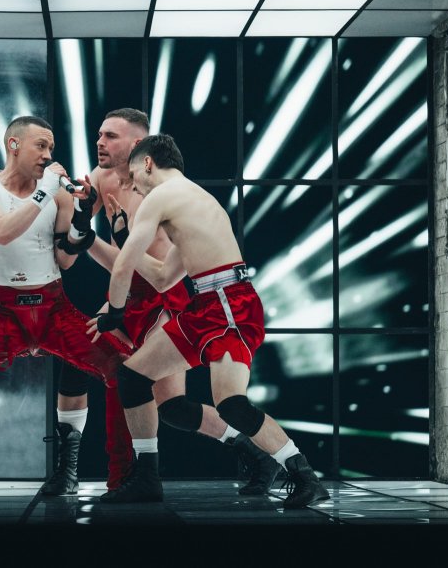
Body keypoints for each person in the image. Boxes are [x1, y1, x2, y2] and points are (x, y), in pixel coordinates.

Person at [45, 108, 281, 499]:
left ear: (140, 149)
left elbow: (157, 271)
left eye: (110, 137)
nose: (100, 142)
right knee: (75, 363)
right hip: (125, 294)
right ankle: (69, 470)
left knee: (171, 406)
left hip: (163, 299)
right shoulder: (101, 179)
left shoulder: (163, 193)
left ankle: (255, 453)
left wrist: (112, 299)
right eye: (99, 135)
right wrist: (79, 220)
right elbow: (73, 256)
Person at [88, 133, 330, 509]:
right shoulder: (193, 201)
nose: (132, 184)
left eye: (135, 173)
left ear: (149, 163)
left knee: (233, 404)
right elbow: (164, 277)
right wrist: (122, 236)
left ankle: (304, 477)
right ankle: (146, 478)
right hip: (210, 303)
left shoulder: (161, 197)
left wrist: (114, 312)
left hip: (228, 305)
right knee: (134, 377)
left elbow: (122, 269)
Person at [0, 115, 135, 500]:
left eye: (51, 147)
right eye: (41, 145)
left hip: (53, 308)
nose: (48, 154)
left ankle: (123, 477)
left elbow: (65, 260)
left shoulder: (59, 193)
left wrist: (80, 226)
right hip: (3, 312)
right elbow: (0, 233)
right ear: (14, 145)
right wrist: (44, 193)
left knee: (124, 368)